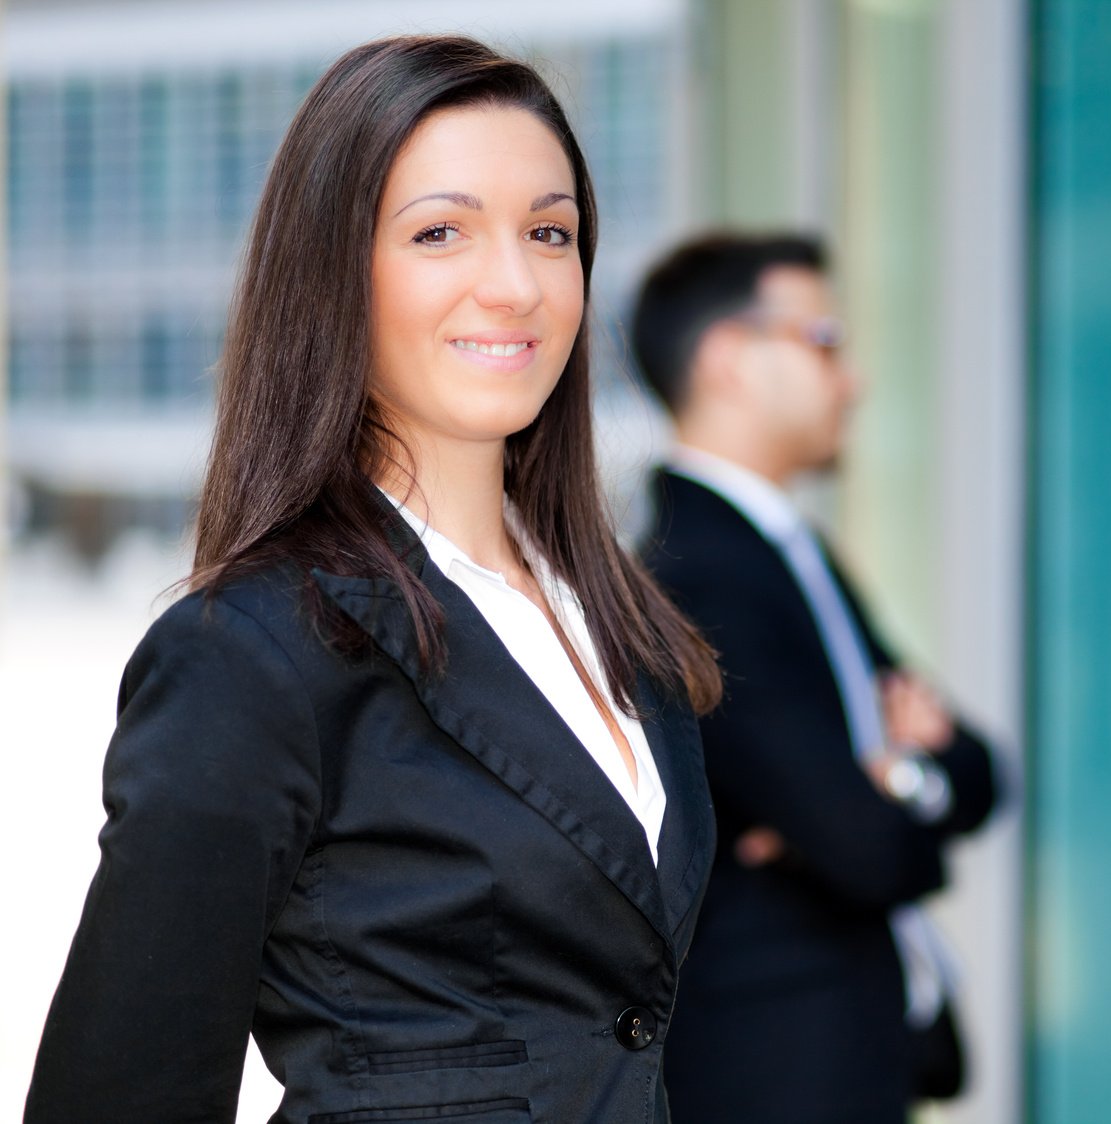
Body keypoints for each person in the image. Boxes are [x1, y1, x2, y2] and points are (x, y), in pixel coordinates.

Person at [25, 35, 721, 1124]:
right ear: (332, 269)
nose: (515, 283)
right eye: (441, 232)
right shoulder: (250, 647)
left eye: (550, 231)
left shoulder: (616, 621)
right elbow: (122, 1086)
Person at [630, 233, 997, 1123]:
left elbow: (980, 771)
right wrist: (875, 796)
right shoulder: (696, 578)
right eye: (824, 342)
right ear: (730, 361)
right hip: (771, 1070)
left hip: (842, 1052)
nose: (853, 379)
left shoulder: (789, 553)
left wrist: (898, 780)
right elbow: (866, 850)